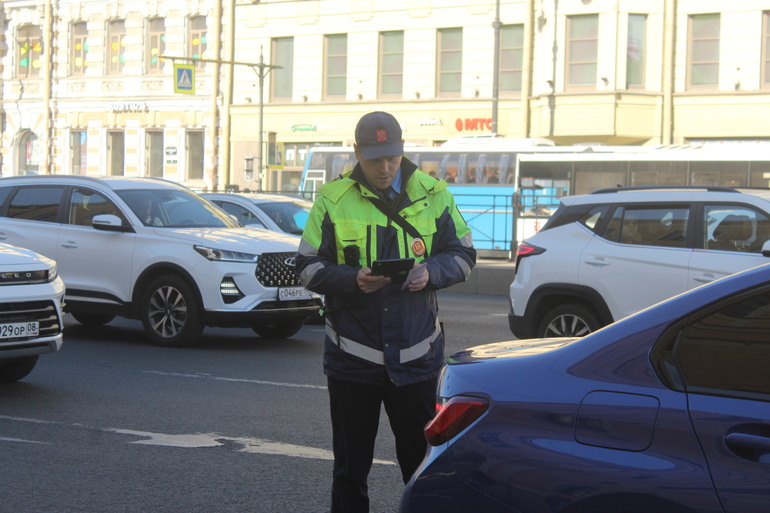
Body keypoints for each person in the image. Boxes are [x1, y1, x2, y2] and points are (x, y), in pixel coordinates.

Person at [296, 111, 476, 513]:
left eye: (392, 158)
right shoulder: (332, 199)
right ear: (357, 152)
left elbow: (464, 256)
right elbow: (306, 267)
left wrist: (430, 272)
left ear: (402, 150)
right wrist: (352, 279)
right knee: (349, 471)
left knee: (422, 469)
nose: (385, 168)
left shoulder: (434, 194)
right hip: (353, 360)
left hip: (416, 360)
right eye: (375, 159)